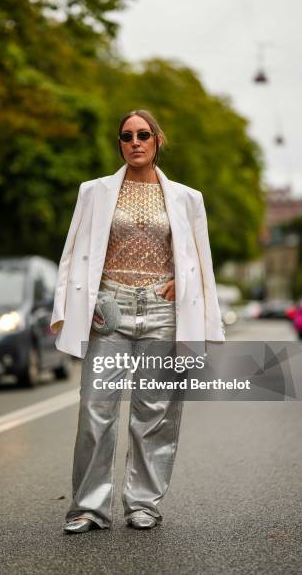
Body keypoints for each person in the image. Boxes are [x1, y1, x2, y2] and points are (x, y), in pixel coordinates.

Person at [50, 109, 225, 533]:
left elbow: (200, 259)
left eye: (143, 135)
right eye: (126, 136)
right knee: (96, 410)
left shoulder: (187, 197)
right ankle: (89, 507)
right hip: (108, 310)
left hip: (162, 313)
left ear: (158, 140)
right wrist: (73, 306)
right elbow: (74, 251)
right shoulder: (93, 192)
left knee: (155, 412)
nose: (135, 142)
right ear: (120, 143)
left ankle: (143, 503)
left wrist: (188, 294)